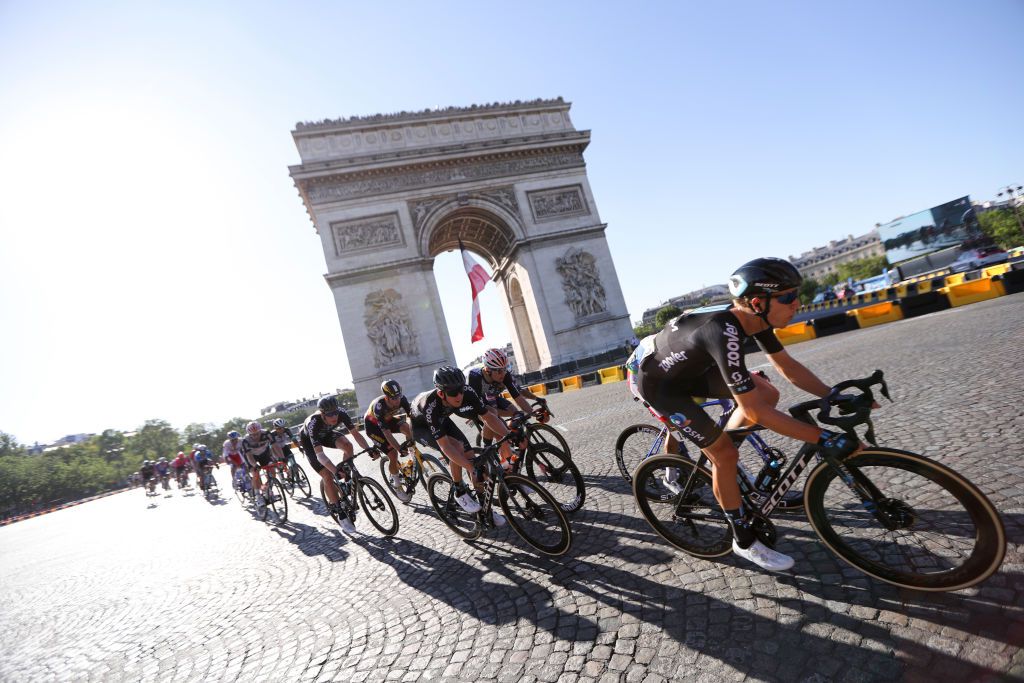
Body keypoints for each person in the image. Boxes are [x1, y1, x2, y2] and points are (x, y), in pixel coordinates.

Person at [626, 257, 858, 572]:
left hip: (688, 370)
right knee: (723, 454)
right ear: (757, 302)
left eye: (796, 294)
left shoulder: (756, 320)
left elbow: (787, 367)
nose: (797, 303)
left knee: (767, 392)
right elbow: (754, 412)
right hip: (659, 385)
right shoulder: (723, 329)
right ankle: (743, 540)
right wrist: (824, 438)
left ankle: (726, 454)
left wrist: (831, 394)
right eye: (788, 297)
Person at [409, 366, 515, 526]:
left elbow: (488, 417)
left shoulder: (467, 391)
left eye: (460, 390)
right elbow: (445, 446)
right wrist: (470, 468)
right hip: (421, 427)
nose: (459, 395)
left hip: (442, 419)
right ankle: (459, 489)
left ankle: (485, 509)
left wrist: (509, 434)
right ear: (441, 393)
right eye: (453, 393)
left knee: (472, 457)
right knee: (457, 449)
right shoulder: (430, 406)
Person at [298, 396, 373, 533]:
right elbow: (320, 455)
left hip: (326, 434)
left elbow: (356, 434)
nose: (334, 416)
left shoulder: (342, 413)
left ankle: (345, 479)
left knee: (347, 445)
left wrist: (368, 449)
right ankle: (340, 513)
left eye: (335, 412)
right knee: (327, 474)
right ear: (322, 414)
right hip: (309, 442)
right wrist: (335, 471)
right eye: (329, 414)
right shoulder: (313, 423)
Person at [466, 348, 549, 457]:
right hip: (476, 405)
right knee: (498, 429)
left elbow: (518, 395)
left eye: (505, 369)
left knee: (514, 411)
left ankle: (509, 435)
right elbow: (484, 411)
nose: (503, 373)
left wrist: (533, 412)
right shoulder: (475, 377)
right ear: (488, 370)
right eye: (499, 371)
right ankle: (491, 454)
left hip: (492, 399)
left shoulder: (504, 375)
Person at [363, 379, 414, 502]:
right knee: (393, 453)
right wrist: (399, 448)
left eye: (398, 397)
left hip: (388, 420)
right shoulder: (379, 406)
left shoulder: (402, 399)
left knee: (407, 428)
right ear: (386, 397)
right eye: (394, 398)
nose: (397, 400)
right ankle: (397, 486)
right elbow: (386, 432)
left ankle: (413, 459)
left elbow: (411, 417)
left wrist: (411, 439)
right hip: (373, 427)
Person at [240, 421, 283, 506]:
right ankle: (258, 496)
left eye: (257, 433)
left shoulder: (266, 433)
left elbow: (275, 446)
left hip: (264, 453)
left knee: (272, 470)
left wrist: (282, 457)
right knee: (255, 473)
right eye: (253, 434)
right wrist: (255, 465)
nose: (256, 436)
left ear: (260, 431)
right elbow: (249, 456)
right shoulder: (245, 441)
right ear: (249, 434)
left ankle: (268, 490)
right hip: (252, 456)